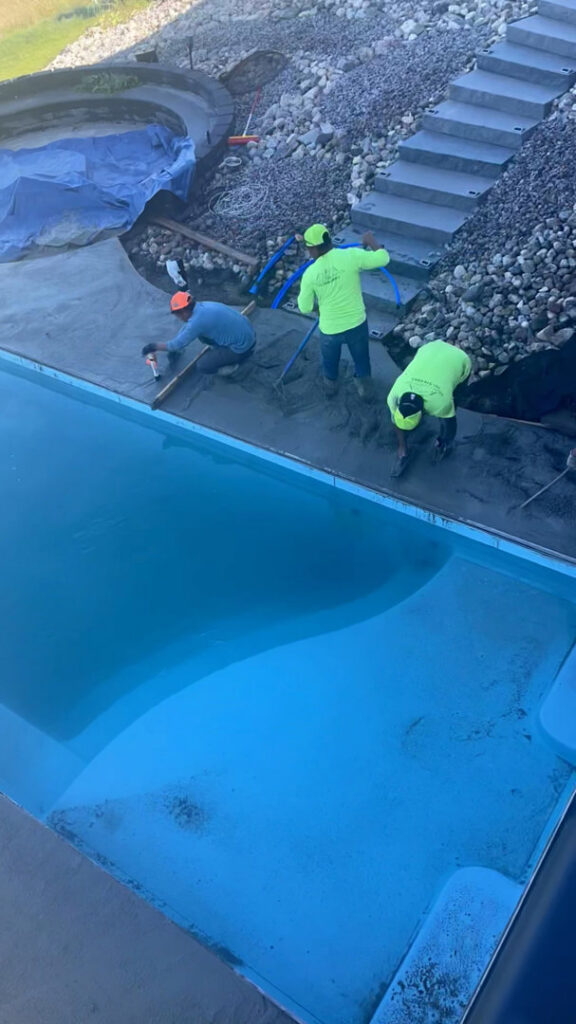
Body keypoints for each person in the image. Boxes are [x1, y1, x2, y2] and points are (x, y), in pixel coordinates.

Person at [297, 224, 390, 399]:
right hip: (356, 324)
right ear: (329, 241)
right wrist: (371, 241)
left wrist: (318, 308)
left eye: (309, 248)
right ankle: (365, 389)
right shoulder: (351, 256)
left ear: (314, 249)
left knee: (330, 361)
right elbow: (383, 258)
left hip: (330, 329)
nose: (309, 252)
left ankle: (330, 387)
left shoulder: (310, 274)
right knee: (361, 359)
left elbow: (304, 307)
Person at [386, 340, 471, 477]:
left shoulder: (440, 403)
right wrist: (402, 446)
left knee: (453, 402)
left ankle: (443, 444)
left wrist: (443, 440)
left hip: (458, 359)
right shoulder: (393, 397)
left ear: (421, 414)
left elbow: (450, 424)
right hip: (429, 348)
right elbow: (395, 421)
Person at [142, 292, 255, 375]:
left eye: (178, 315)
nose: (179, 318)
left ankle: (233, 368)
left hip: (242, 349)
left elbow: (177, 344)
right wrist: (171, 346)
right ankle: (224, 351)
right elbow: (186, 328)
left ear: (183, 311)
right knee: (202, 336)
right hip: (249, 334)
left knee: (203, 366)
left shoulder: (197, 322)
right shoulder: (201, 307)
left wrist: (152, 347)